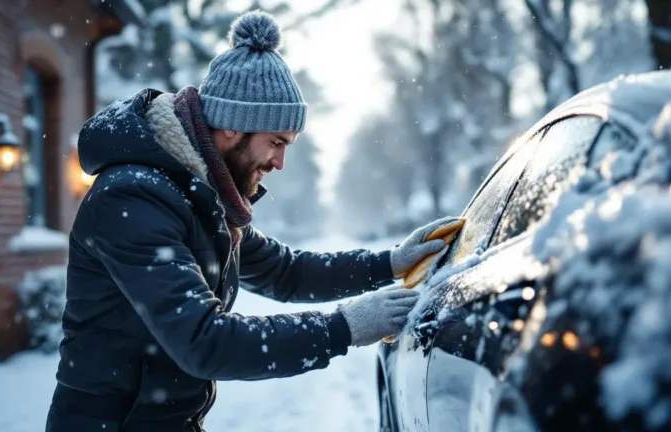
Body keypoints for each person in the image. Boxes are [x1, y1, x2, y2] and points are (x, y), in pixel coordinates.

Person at [45, 10, 459, 432]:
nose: (280, 162)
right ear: (230, 127)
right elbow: (205, 341)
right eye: (276, 143)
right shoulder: (133, 198)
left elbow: (287, 273)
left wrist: (389, 263)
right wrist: (343, 327)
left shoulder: (199, 196)